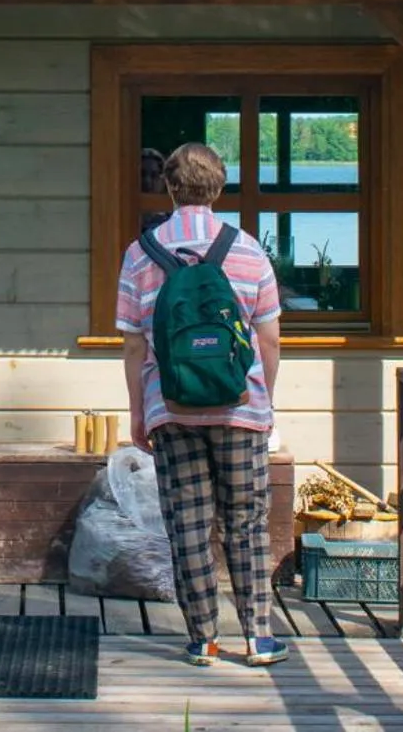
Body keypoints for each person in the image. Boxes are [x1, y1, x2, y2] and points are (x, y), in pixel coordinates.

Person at [116, 142, 287, 667]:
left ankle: (203, 639)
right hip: (240, 409)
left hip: (171, 407)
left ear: (169, 187)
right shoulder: (248, 251)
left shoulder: (141, 253)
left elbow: (133, 343)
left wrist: (140, 411)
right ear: (218, 188)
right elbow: (270, 338)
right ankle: (258, 636)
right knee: (246, 520)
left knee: (187, 521)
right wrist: (265, 401)